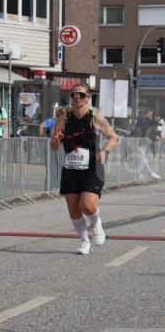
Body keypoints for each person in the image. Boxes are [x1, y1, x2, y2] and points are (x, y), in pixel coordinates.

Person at [49, 84, 118, 255]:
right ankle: (85, 241)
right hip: (71, 168)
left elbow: (113, 137)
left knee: (87, 205)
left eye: (80, 94)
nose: (77, 98)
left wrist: (105, 150)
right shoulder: (64, 119)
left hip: (92, 167)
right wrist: (56, 139)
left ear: (88, 97)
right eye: (73, 95)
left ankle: (96, 224)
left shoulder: (95, 118)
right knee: (74, 209)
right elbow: (54, 147)